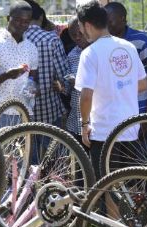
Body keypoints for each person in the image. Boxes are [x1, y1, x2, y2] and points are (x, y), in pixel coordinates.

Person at [76, 0, 147, 179]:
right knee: (126, 187)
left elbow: (86, 96)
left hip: (104, 131)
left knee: (106, 187)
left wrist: (84, 125)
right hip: (130, 128)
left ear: (87, 25)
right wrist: (120, 87)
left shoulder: (90, 53)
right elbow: (143, 84)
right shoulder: (128, 47)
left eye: (80, 27)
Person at [0, 0, 38, 128]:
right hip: (0, 113)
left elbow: (32, 79)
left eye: (26, 21)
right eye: (18, 20)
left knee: (28, 149)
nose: (22, 24)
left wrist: (33, 89)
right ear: (8, 18)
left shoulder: (31, 48)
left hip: (25, 113)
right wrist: (6, 75)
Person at [105, 2, 147, 114]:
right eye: (105, 22)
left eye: (110, 21)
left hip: (140, 110)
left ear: (122, 18)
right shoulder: (103, 43)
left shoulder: (141, 40)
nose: (107, 25)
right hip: (113, 112)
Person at [24, 1, 70, 128]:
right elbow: (63, 74)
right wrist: (64, 89)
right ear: (41, 17)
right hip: (48, 110)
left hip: (20, 113)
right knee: (51, 147)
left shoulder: (13, 39)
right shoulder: (52, 39)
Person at [65, 16, 90, 148]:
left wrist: (79, 81)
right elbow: (68, 90)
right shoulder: (72, 55)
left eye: (80, 33)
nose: (77, 38)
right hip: (76, 119)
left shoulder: (97, 51)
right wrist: (63, 87)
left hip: (95, 120)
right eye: (73, 35)